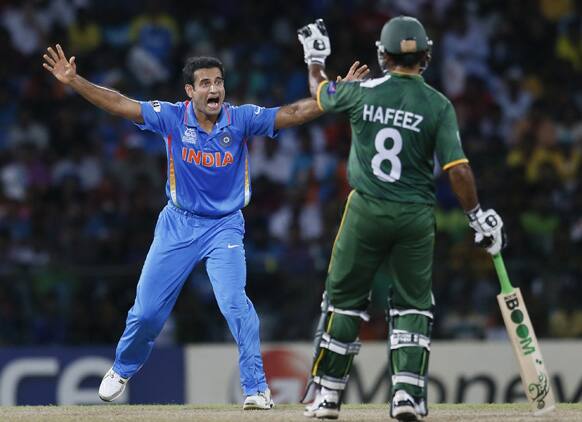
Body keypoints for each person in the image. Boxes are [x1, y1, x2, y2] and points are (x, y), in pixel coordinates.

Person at [42, 44, 368, 409]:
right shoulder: (171, 118)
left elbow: (292, 113)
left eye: (219, 82)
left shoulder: (241, 118)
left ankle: (257, 388)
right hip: (177, 225)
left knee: (235, 305)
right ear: (190, 91)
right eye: (205, 83)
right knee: (147, 312)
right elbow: (119, 102)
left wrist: (337, 96)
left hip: (225, 227)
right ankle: (122, 367)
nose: (214, 89)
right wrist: (74, 82)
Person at [297, 17, 506, 421]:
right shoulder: (438, 105)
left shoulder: (360, 92)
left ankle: (327, 398)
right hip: (414, 217)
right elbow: (458, 170)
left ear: (382, 54)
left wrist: (315, 57)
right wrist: (477, 217)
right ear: (426, 57)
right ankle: (406, 396)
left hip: (365, 211)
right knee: (413, 306)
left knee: (344, 302)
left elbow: (319, 92)